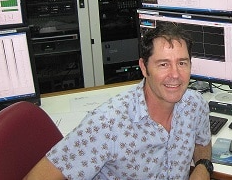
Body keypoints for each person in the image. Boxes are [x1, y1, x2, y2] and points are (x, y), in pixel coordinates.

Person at [23, 22, 213, 180]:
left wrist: (202, 167)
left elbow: (202, 142)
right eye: (163, 64)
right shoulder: (107, 124)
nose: (175, 75)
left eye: (182, 63)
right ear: (144, 68)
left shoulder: (195, 105)